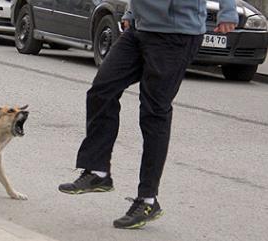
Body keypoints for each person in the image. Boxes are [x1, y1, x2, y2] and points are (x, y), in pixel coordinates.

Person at [58, 0, 239, 229]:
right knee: (101, 90)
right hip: (140, 29)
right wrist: (132, 12)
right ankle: (97, 170)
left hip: (176, 33)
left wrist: (228, 11)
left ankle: (147, 200)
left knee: (154, 112)